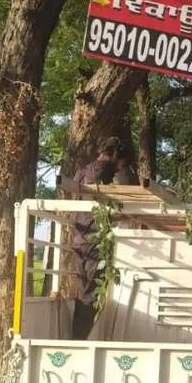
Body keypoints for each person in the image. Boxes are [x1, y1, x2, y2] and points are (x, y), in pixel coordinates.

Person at [71, 137, 135, 339]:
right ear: (115, 155)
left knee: (83, 292)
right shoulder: (104, 169)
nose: (118, 170)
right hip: (93, 239)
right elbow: (99, 208)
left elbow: (88, 206)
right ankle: (80, 339)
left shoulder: (83, 171)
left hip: (79, 237)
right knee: (93, 293)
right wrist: (121, 215)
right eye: (122, 164)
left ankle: (77, 338)